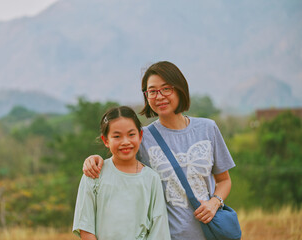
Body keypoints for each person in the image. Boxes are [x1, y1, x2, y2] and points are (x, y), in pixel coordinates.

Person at [83, 61, 236, 240]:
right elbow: (120, 163)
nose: (159, 96)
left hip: (210, 233)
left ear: (180, 89)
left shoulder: (208, 128)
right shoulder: (143, 137)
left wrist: (214, 203)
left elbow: (224, 180)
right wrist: (94, 159)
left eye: (166, 89)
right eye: (152, 91)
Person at [73, 106, 171, 240]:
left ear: (140, 136)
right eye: (117, 136)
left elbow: (159, 230)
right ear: (106, 140)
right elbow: (86, 227)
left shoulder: (151, 179)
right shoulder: (94, 174)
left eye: (131, 134)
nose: (125, 142)